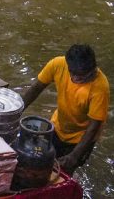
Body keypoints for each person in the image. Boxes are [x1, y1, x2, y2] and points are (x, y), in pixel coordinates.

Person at [21, 44, 109, 175]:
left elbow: (93, 127)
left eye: (82, 77)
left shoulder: (100, 87)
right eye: (73, 74)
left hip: (81, 138)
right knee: (44, 162)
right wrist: (16, 113)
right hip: (58, 126)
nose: (76, 79)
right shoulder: (57, 64)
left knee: (65, 171)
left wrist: (74, 155)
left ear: (93, 69)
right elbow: (36, 88)